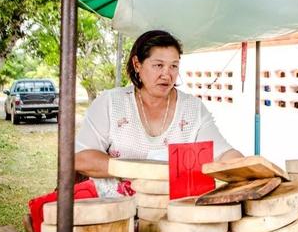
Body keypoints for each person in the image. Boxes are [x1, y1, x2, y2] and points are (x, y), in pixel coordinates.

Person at [75, 30, 243, 197]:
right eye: (158, 65)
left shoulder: (193, 110)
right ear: (137, 64)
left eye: (174, 66)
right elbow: (82, 158)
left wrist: (250, 168)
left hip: (173, 212)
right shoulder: (111, 103)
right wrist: (141, 170)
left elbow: (222, 154)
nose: (167, 74)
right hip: (115, 213)